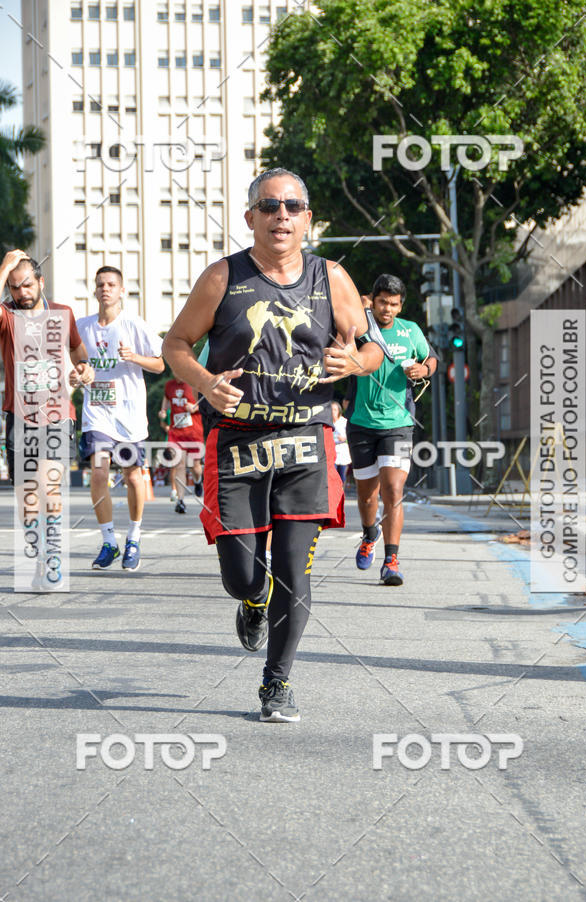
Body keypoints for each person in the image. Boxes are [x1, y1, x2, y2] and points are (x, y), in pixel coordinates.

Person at [163, 167, 384, 722]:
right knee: (241, 574)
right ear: (250, 218)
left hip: (306, 440)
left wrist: (357, 362)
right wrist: (205, 381)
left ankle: (277, 682)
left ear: (307, 219)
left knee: (293, 569)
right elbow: (176, 345)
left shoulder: (331, 278)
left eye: (291, 206)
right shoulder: (222, 277)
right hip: (237, 443)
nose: (280, 215)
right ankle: (252, 597)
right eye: (268, 206)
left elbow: (374, 346)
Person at [0, 250, 94, 589]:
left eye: (27, 285)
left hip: (57, 414)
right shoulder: (8, 316)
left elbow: (79, 353)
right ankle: (38, 552)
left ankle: (52, 556)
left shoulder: (63, 313)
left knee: (49, 485)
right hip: (19, 415)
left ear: (41, 282)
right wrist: (5, 266)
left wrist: (84, 369)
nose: (21, 293)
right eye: (13, 287)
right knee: (27, 497)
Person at [346, 273, 437, 586]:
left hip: (398, 424)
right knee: (367, 496)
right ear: (373, 301)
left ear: (401, 306)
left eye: (394, 304)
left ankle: (391, 561)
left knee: (393, 490)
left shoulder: (410, 331)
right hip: (361, 424)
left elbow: (431, 359)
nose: (388, 309)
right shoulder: (360, 328)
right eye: (383, 302)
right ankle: (369, 534)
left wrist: (423, 369)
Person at [77, 266, 164, 571]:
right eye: (101, 284)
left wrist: (134, 357)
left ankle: (134, 538)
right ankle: (108, 542)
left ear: (122, 290)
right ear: (94, 289)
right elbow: (74, 363)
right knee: (99, 473)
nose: (105, 289)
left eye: (111, 284)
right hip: (97, 412)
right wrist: (78, 374)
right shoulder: (82, 326)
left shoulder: (133, 324)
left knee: (132, 476)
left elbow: (160, 364)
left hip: (128, 415)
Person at [158, 378, 204, 512]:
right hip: (176, 433)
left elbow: (208, 403)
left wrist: (195, 408)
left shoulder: (195, 382)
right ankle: (180, 501)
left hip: (194, 432)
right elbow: (166, 402)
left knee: (195, 466)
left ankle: (198, 481)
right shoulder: (169, 385)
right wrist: (162, 411)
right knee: (179, 465)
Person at [331, 400, 351, 486]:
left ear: (339, 410)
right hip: (332, 450)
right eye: (331, 409)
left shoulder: (344, 422)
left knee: (342, 475)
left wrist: (344, 438)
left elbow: (351, 435)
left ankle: (342, 490)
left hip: (343, 451)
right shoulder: (327, 423)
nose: (333, 412)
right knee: (332, 474)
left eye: (335, 410)